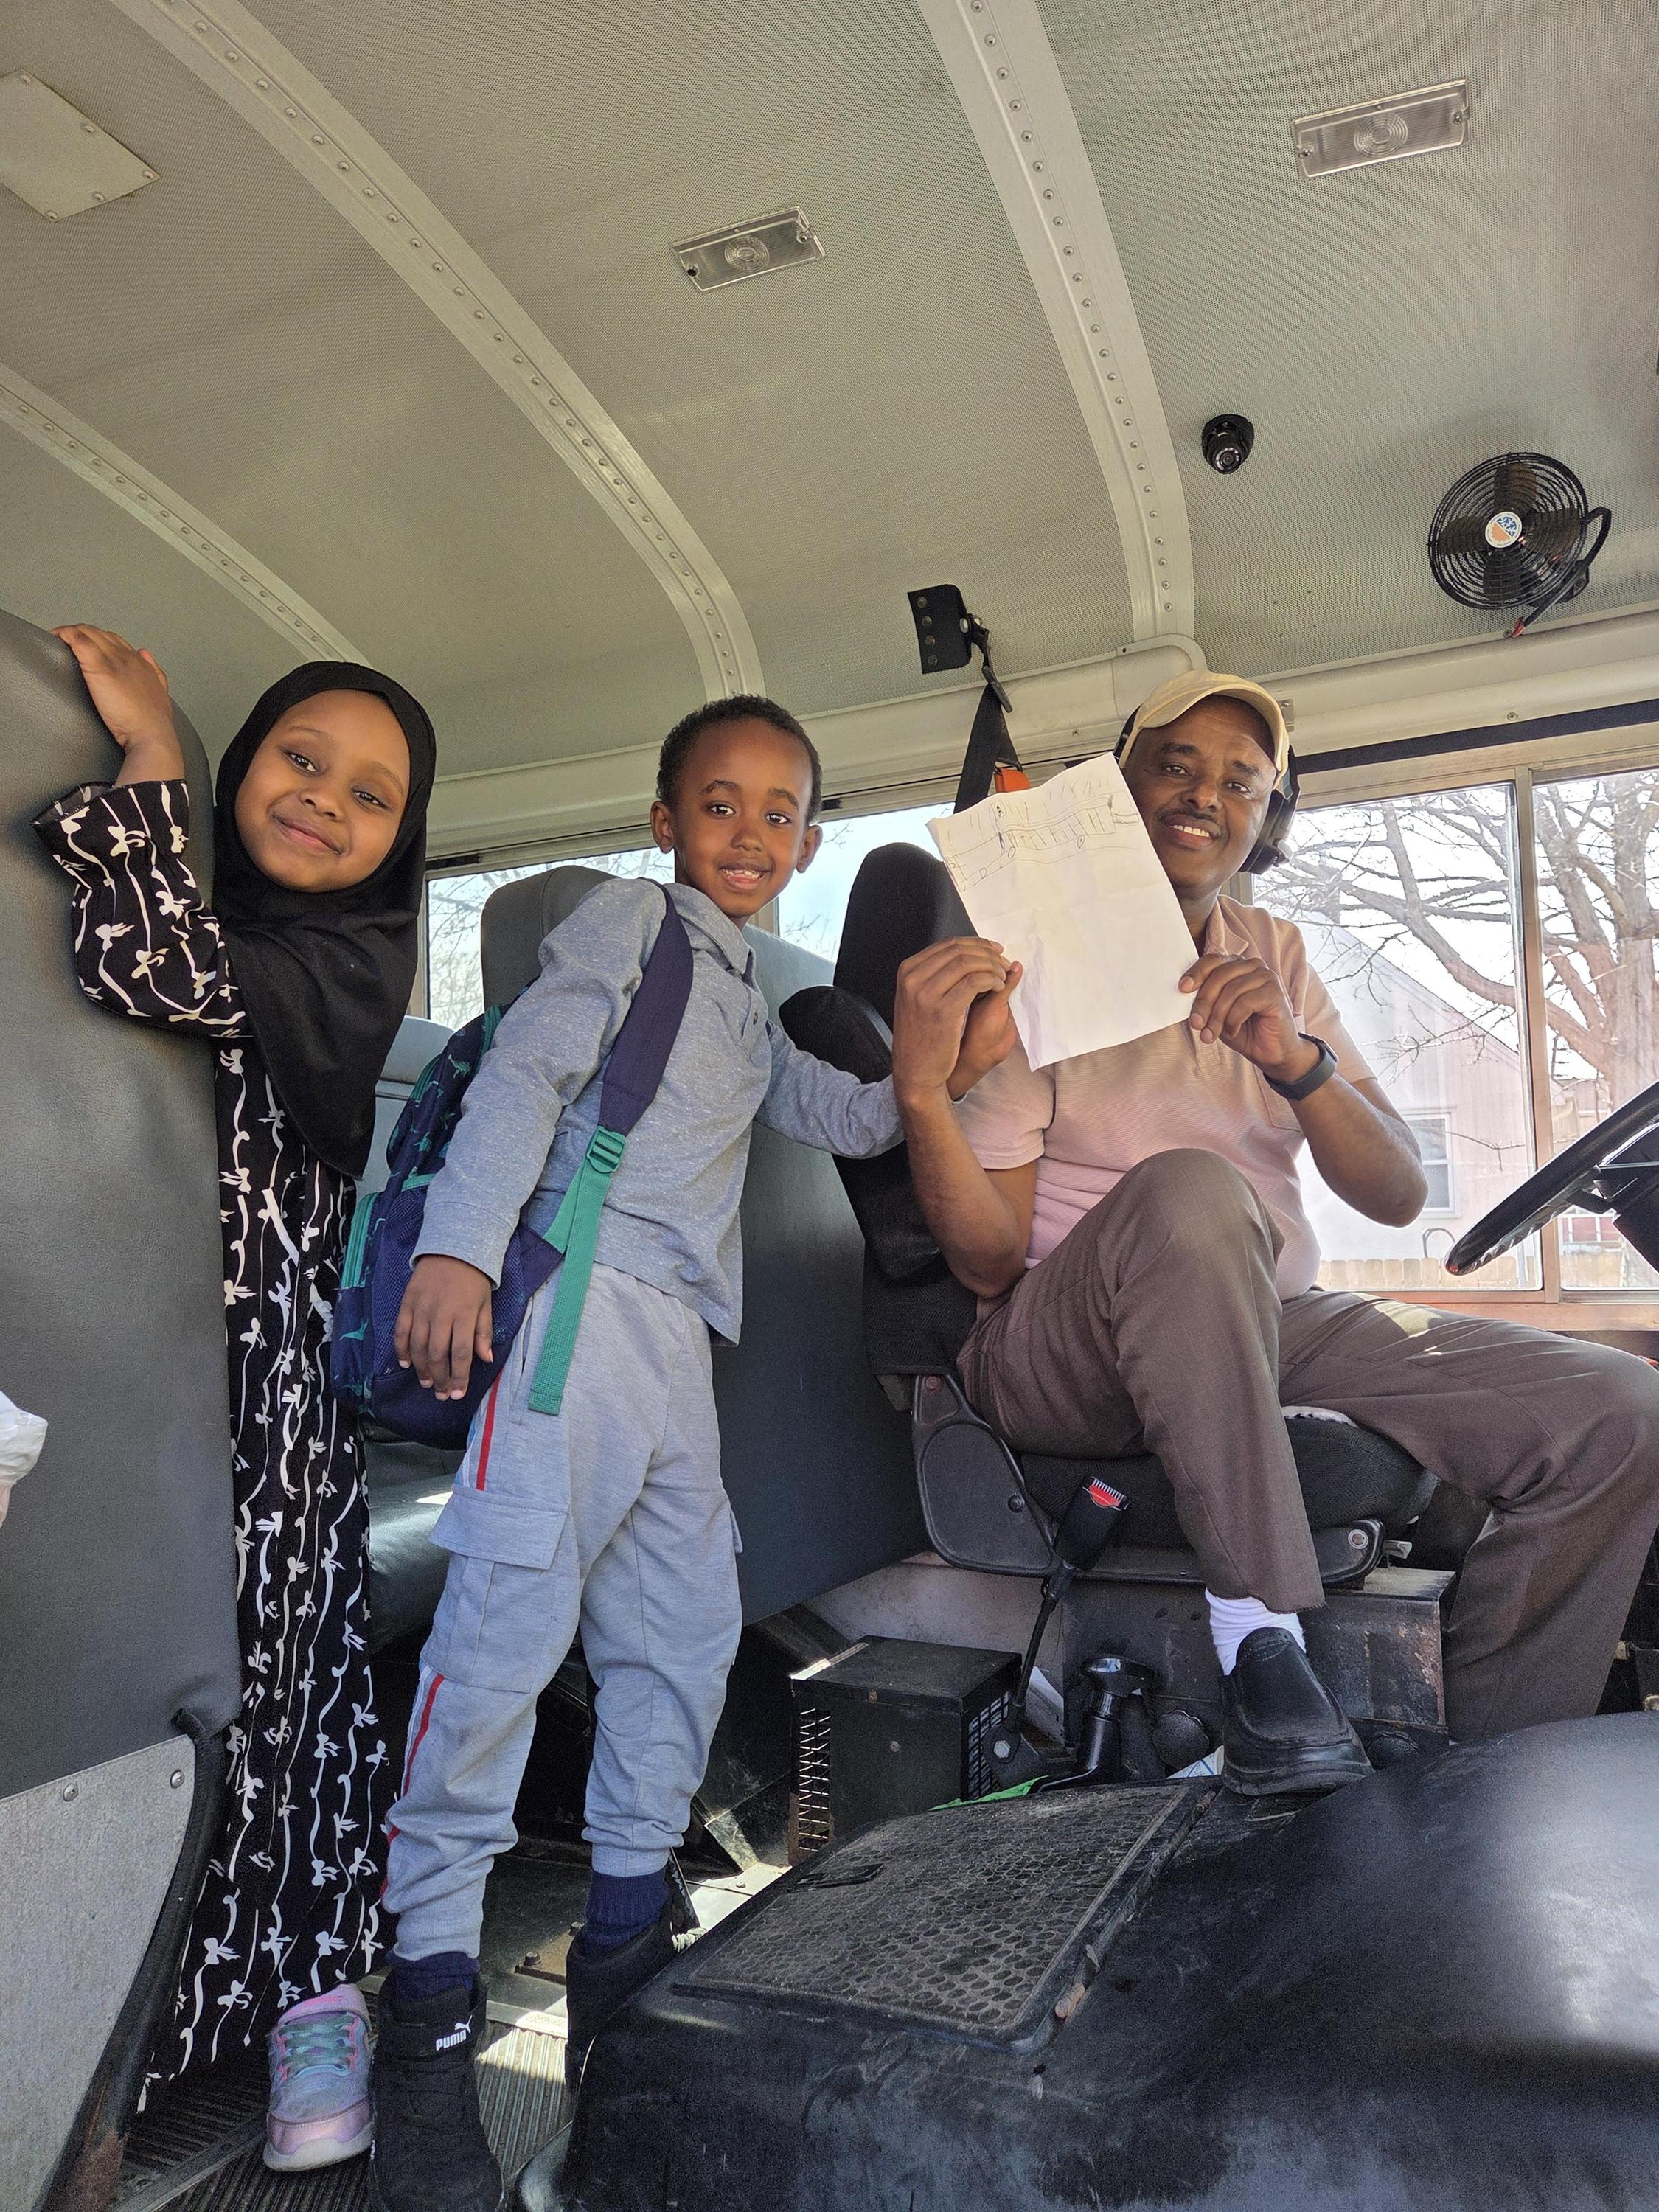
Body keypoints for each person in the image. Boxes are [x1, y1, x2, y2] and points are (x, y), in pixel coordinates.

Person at [372, 694, 1012, 2212]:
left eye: (781, 812)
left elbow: (851, 1118)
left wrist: (950, 1055)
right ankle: (429, 2018)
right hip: (580, 1309)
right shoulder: (627, 923)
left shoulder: (737, 991)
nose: (749, 832)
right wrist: (460, 1250)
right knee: (502, 1646)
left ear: (808, 844)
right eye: (718, 803)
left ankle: (620, 1951)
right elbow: (528, 1075)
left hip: (675, 1350)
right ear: (666, 822)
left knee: (678, 1641)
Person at [896, 668, 1659, 1794]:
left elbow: (1394, 1193)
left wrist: (1295, 1061)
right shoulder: (1032, 953)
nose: (1203, 795)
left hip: (1261, 1310)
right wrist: (921, 1093)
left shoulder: (1272, 951)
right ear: (1115, 791)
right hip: (1059, 1338)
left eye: (1240, 783)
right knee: (1193, 1191)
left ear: (1265, 819)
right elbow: (987, 1258)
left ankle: (1480, 1777)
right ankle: (1259, 1635)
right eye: (1172, 766)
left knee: (1617, 1413)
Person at [35, 625, 437, 2174]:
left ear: (402, 841)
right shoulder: (203, 905)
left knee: (295, 1695)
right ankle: (123, 2030)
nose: (326, 797)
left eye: (372, 793)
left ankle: (312, 1997)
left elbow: (143, 962)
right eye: (298, 759)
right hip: (133, 1382)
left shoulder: (345, 962)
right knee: (144, 1686)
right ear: (248, 767)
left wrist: (153, 756)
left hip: (274, 1402)